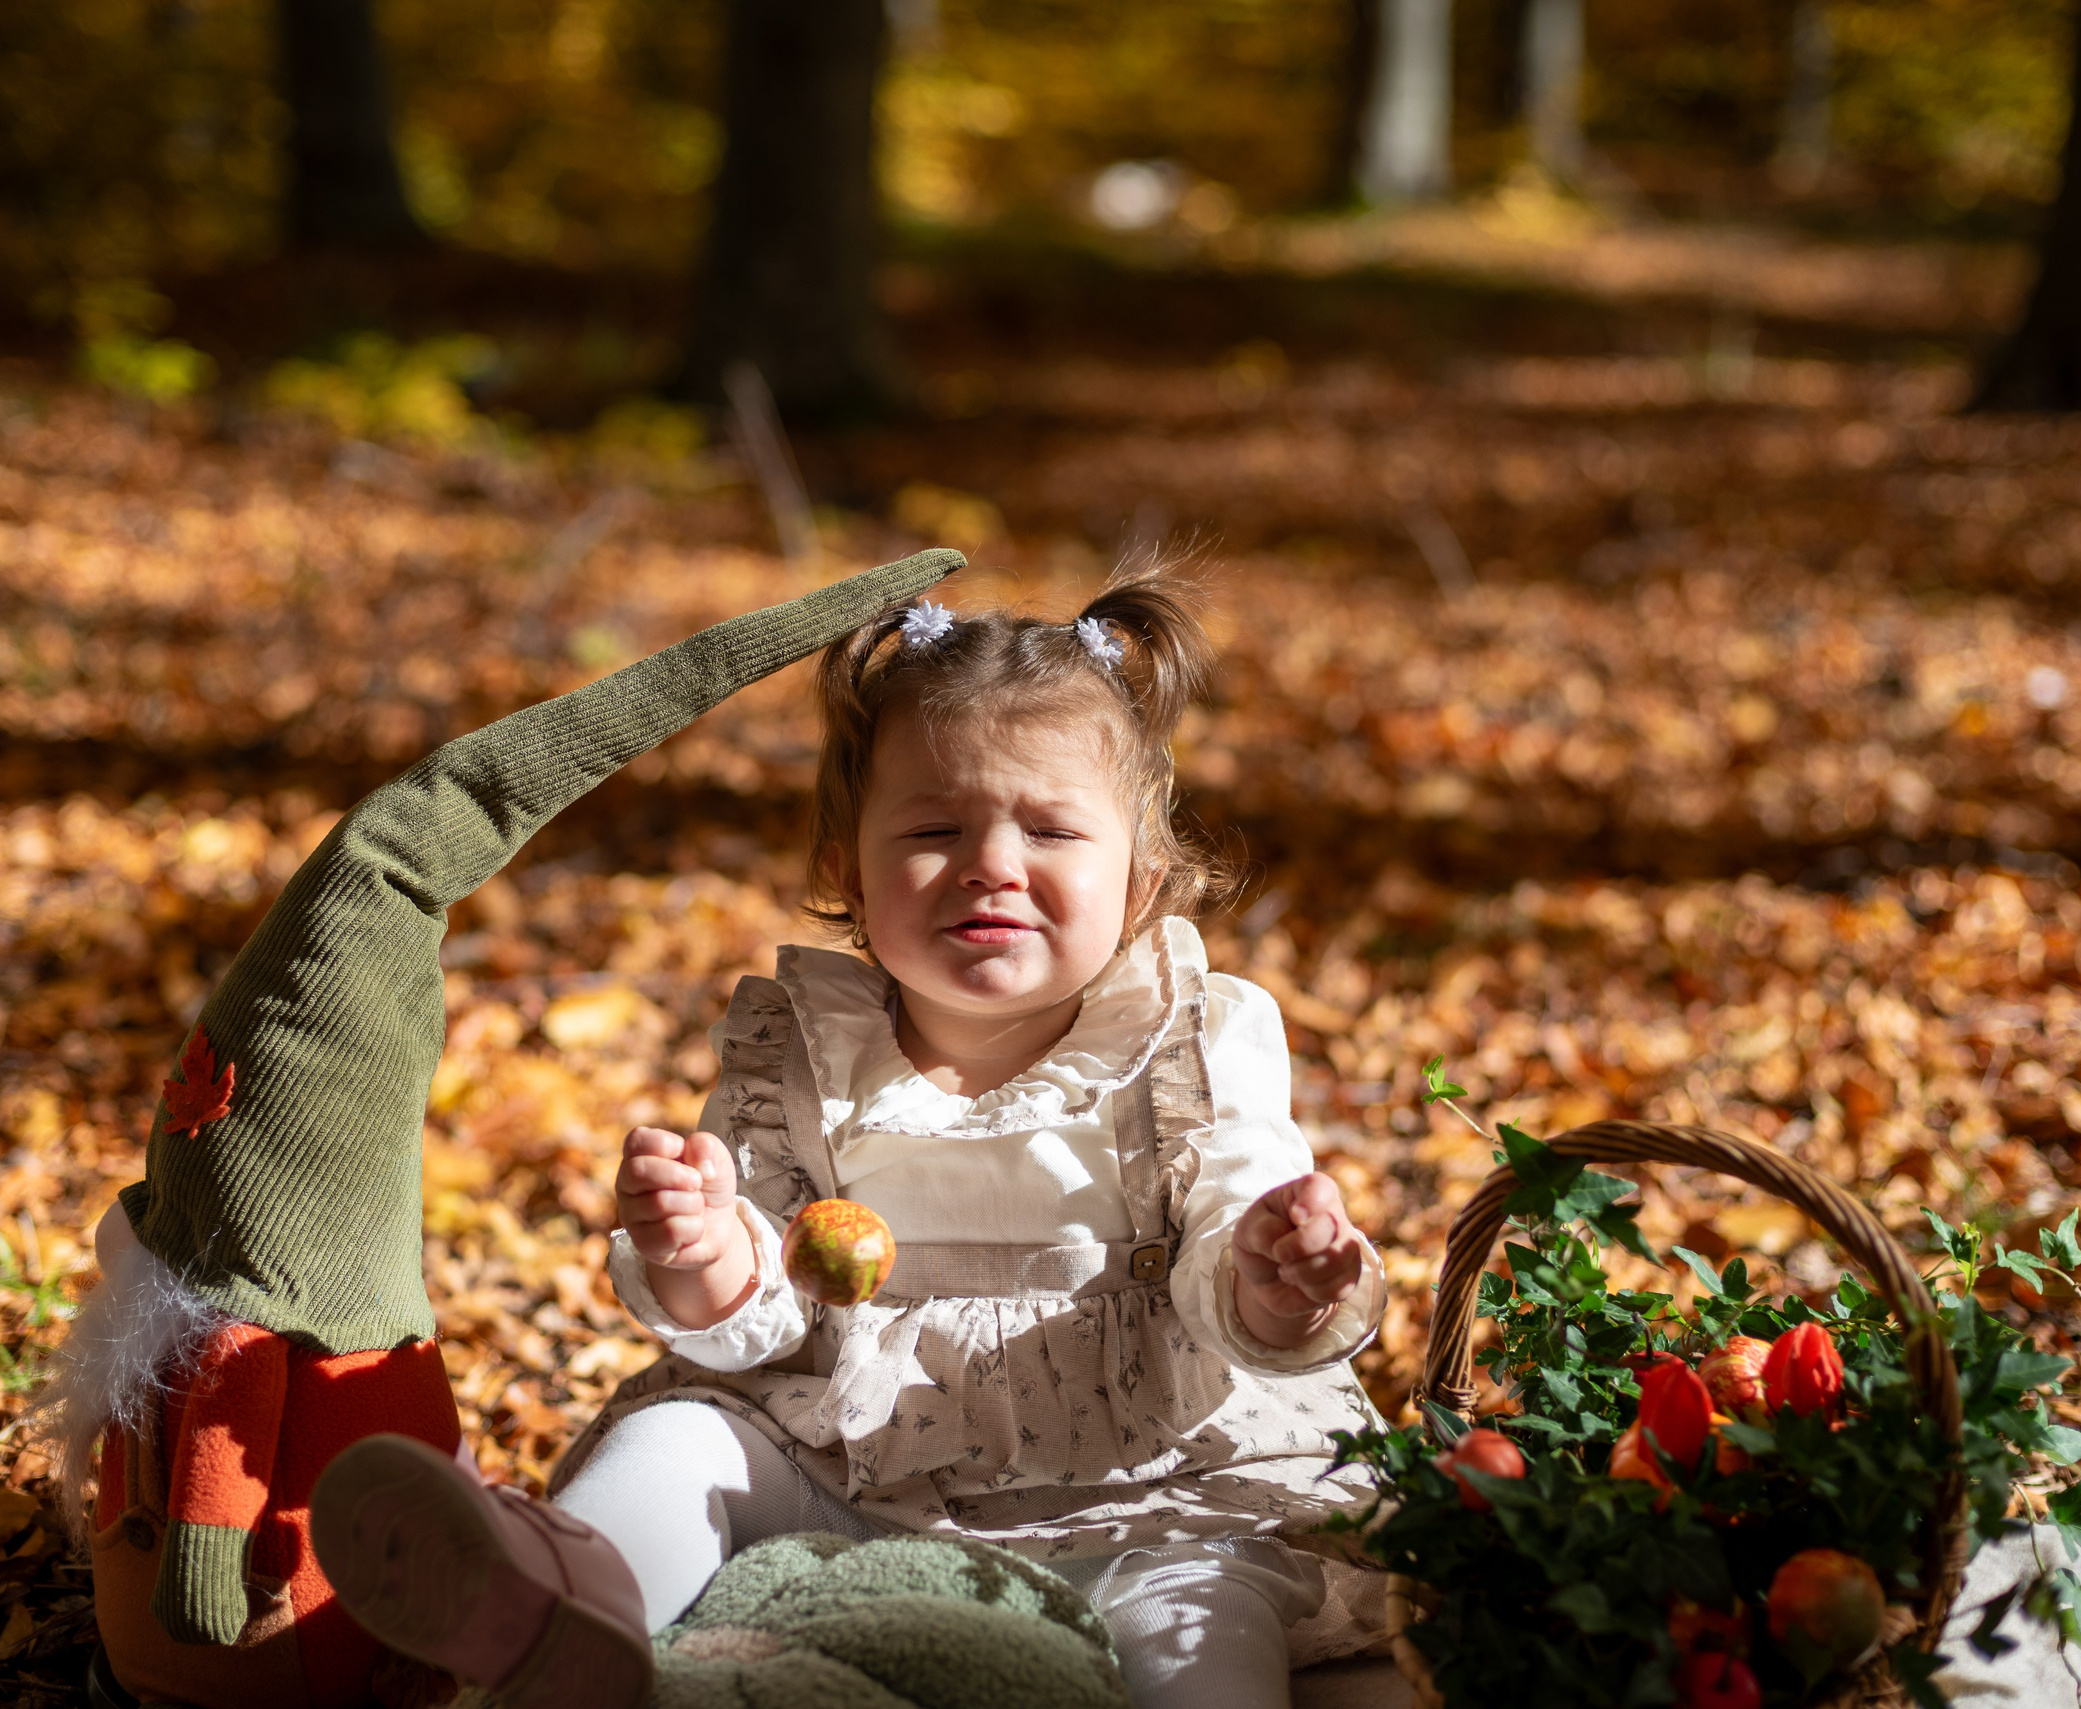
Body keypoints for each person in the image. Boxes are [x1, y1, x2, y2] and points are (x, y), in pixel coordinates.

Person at [310, 569, 1391, 1709]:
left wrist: (1277, 1279)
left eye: (1050, 829)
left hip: (1148, 1493)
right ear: (848, 873)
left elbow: (1233, 1225)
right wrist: (706, 1253)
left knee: (1201, 1620)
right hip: (855, 1474)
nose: (991, 863)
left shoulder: (1189, 1044)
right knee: (686, 1442)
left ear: (1139, 884)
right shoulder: (801, 1056)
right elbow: (766, 1316)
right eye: (933, 828)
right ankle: (559, 1611)